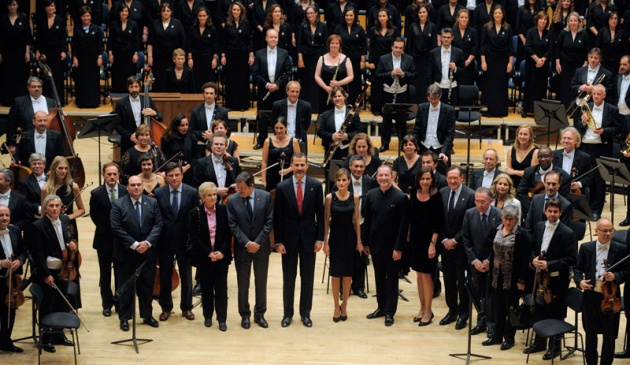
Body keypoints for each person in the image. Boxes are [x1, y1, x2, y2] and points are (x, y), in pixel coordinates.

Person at [274, 153, 324, 327]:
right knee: (289, 278)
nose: (300, 168)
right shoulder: (281, 187)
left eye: (302, 165)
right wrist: (278, 242)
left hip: (309, 240)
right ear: (292, 166)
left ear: (307, 166)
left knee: (307, 278)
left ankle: (306, 313)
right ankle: (287, 314)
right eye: (296, 165)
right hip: (288, 241)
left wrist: (320, 238)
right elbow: (277, 218)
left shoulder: (316, 186)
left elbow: (320, 214)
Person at [524, 198, 577, 360]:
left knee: (556, 313)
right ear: (545, 212)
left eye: (555, 212)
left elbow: (571, 259)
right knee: (540, 310)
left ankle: (555, 347)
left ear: (560, 213)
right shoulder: (539, 227)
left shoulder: (568, 232)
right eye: (550, 211)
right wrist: (533, 259)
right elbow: (533, 247)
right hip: (540, 277)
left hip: (557, 279)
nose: (552, 214)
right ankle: (539, 343)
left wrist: (549, 264)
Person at [25, 195, 78, 352]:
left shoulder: (65, 220)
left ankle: (59, 335)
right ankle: (46, 339)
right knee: (48, 306)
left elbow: (69, 239)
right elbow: (38, 255)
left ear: (61, 207)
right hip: (48, 272)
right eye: (51, 206)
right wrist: (45, 274)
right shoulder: (38, 226)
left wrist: (73, 245)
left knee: (61, 304)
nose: (54, 208)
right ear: (46, 208)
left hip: (63, 270)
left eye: (57, 205)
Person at [111, 176, 163, 332]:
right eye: (132, 185)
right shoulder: (118, 204)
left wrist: (147, 243)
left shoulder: (152, 202)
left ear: (142, 187)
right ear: (127, 187)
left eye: (138, 185)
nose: (136, 187)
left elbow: (158, 224)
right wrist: (134, 244)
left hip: (147, 253)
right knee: (126, 286)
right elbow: (116, 227)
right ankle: (125, 318)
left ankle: (147, 315)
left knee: (147, 286)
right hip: (126, 253)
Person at [575, 217, 629, 365]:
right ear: (596, 231)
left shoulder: (621, 249)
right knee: (591, 335)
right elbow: (577, 270)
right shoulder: (586, 248)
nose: (608, 234)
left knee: (609, 337)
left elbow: (627, 271)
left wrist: (615, 276)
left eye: (610, 230)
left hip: (611, 299)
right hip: (591, 297)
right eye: (604, 231)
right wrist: (579, 282)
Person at [227, 172, 273, 330]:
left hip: (261, 248)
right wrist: (247, 243)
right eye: (238, 187)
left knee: (261, 282)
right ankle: (244, 315)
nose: (239, 190)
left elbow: (269, 222)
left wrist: (257, 242)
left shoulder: (265, 197)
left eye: (243, 188)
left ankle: (260, 314)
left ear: (252, 185)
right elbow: (233, 225)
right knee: (243, 284)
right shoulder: (232, 200)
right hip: (242, 248)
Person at [363, 164, 408, 326]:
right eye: (380, 175)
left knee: (392, 281)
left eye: (386, 175)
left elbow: (403, 227)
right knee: (379, 278)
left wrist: (398, 248)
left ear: (392, 177)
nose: (383, 178)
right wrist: (365, 242)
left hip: (392, 248)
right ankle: (381, 307)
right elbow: (367, 221)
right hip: (375, 246)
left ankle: (390, 311)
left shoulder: (400, 197)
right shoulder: (371, 195)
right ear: (377, 177)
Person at [153, 163, 198, 322]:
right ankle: (166, 307)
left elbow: (195, 218)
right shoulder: (158, 193)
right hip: (165, 240)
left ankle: (186, 307)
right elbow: (156, 218)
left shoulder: (192, 192)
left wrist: (193, 240)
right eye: (170, 175)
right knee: (165, 274)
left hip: (184, 240)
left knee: (186, 275)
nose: (174, 178)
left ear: (182, 175)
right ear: (165, 176)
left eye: (177, 175)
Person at [486, 205, 532, 350]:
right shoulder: (496, 229)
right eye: (506, 218)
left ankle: (509, 338)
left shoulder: (522, 235)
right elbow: (491, 250)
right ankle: (496, 335)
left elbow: (525, 260)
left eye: (511, 219)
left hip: (513, 278)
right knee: (498, 307)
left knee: (511, 308)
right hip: (496, 276)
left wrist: (522, 280)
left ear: (516, 219)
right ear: (502, 218)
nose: (508, 222)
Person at [574, 84, 620, 219]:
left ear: (604, 95)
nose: (595, 96)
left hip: (601, 148)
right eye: (594, 94)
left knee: (599, 181)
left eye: (598, 94)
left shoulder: (612, 109)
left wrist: (603, 131)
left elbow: (618, 129)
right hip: (585, 147)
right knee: (586, 178)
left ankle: (596, 210)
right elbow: (578, 126)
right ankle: (584, 207)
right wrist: (582, 122)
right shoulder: (585, 107)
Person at [189, 182, 231, 331]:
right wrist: (208, 252)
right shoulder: (196, 213)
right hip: (204, 257)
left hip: (221, 257)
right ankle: (208, 316)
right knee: (206, 288)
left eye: (214, 194)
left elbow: (228, 234)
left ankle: (222, 319)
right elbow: (194, 236)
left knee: (221, 289)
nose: (213, 197)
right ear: (202, 197)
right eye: (209, 195)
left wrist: (221, 252)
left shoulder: (223, 210)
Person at [89, 162, 128, 317]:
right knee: (105, 274)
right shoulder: (96, 193)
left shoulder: (125, 191)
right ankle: (107, 304)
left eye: (114, 174)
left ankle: (120, 303)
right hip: (104, 239)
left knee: (120, 274)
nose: (112, 177)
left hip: (121, 240)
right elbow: (94, 216)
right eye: (109, 174)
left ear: (118, 175)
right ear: (103, 175)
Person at [439, 165, 475, 330]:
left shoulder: (470, 195)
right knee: (448, 280)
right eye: (450, 178)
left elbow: (468, 223)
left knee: (462, 282)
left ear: (462, 178)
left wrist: (455, 240)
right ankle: (452, 310)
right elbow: (439, 218)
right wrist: (445, 239)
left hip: (462, 247)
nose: (452, 181)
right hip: (445, 246)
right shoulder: (442, 193)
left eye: (455, 178)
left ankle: (463, 314)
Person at [323, 167, 362, 322]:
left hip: (349, 238)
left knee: (347, 275)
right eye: (338, 180)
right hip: (335, 239)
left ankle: (344, 305)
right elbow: (326, 221)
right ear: (335, 181)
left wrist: (359, 241)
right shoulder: (329, 197)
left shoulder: (355, 197)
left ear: (348, 181)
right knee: (335, 274)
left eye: (344, 180)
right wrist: (325, 242)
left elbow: (357, 221)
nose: (341, 182)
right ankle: (335, 306)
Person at [462, 187, 502, 336]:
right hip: (476, 263)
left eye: (483, 202)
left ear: (490, 201)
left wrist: (489, 260)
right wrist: (474, 260)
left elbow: (500, 241)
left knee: (491, 295)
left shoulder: (498, 215)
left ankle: (492, 324)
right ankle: (481, 322)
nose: (480, 205)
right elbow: (466, 239)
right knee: (478, 294)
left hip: (492, 263)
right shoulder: (469, 214)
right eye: (477, 201)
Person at [409, 166, 443, 326]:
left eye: (428, 179)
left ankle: (429, 311)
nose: (425, 181)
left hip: (429, 241)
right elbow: (411, 217)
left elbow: (438, 223)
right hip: (416, 239)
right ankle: (422, 308)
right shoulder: (414, 193)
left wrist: (433, 244)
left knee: (427, 275)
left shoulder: (436, 196)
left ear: (432, 180)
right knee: (419, 274)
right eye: (422, 179)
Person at [252, 28, 293, 149]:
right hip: (264, 90)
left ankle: (279, 140)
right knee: (262, 115)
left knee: (279, 116)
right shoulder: (259, 53)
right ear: (266, 38)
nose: (273, 39)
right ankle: (262, 140)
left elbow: (288, 72)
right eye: (271, 37)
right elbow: (255, 73)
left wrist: (277, 84)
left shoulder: (284, 53)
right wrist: (266, 85)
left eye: (275, 37)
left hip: (279, 90)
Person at [345, 155, 377, 298]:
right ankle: (343, 287)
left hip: (364, 224)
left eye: (361, 167)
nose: (358, 169)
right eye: (356, 166)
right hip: (347, 224)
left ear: (365, 168)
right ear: (350, 166)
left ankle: (358, 287)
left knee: (361, 258)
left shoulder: (371, 182)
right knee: (346, 257)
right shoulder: (343, 180)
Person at [376, 37, 415, 151]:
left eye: (400, 48)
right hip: (388, 93)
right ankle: (385, 144)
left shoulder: (409, 59)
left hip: (402, 94)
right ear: (392, 47)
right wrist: (391, 74)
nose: (398, 50)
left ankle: (403, 145)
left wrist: (403, 74)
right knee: (386, 122)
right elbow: (378, 76)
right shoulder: (383, 59)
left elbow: (413, 76)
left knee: (401, 122)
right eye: (396, 47)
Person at [515, 145, 571, 218]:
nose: (543, 159)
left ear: (552, 157)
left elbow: (563, 199)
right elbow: (520, 193)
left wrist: (550, 212)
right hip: (531, 212)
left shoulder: (564, 176)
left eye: (546, 156)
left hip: (554, 215)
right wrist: (532, 210)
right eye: (540, 157)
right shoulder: (529, 172)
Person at [114, 76, 163, 154]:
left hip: (146, 141)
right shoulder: (121, 103)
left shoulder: (147, 100)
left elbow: (160, 118)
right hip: (128, 142)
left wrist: (154, 113)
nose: (134, 89)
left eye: (136, 86)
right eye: (131, 87)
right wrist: (130, 136)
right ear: (128, 88)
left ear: (140, 87)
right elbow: (117, 125)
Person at [479, 5, 513, 117]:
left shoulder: (508, 27)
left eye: (499, 13)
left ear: (503, 14)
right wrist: (483, 61)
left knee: (501, 86)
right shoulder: (486, 27)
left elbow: (511, 47)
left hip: (503, 61)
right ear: (492, 15)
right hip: (490, 60)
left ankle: (500, 111)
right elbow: (482, 46)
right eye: (495, 13)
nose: (497, 15)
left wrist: (510, 63)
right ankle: (488, 110)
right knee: (489, 85)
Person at [0, 205, 26, 353]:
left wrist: (20, 261)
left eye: (6, 215)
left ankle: (6, 341)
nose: (4, 218)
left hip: (12, 279)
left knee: (10, 312)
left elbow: (23, 251)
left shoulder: (15, 231)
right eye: (1, 215)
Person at [42, 156, 86, 241]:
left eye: (66, 168)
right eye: (60, 168)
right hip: (51, 224)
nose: (64, 171)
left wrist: (68, 217)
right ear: (54, 169)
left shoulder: (73, 186)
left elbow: (82, 210)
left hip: (69, 225)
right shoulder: (46, 189)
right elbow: (43, 212)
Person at [6, 77, 55, 152]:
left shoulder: (51, 102)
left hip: (48, 143)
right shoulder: (19, 102)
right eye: (33, 86)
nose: (37, 89)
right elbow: (11, 125)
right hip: (27, 143)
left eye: (39, 86)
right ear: (28, 88)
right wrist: (11, 144)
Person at [33, 0, 68, 105]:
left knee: (56, 76)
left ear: (55, 7)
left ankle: (58, 101)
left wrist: (63, 51)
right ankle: (46, 101)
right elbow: (38, 37)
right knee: (45, 77)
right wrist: (37, 50)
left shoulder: (60, 20)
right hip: (44, 53)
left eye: (52, 6)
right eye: (48, 6)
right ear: (45, 8)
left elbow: (63, 38)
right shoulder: (40, 21)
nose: (50, 8)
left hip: (57, 53)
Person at [412, 84, 455, 168]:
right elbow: (417, 129)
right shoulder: (421, 107)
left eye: (436, 99)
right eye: (431, 98)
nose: (433, 101)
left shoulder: (449, 110)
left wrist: (444, 151)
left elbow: (450, 134)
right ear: (428, 96)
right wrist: (415, 146)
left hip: (440, 147)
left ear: (440, 96)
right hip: (424, 146)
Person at [221, 1, 253, 111]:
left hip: (243, 55)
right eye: (234, 9)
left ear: (241, 11)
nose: (236, 11)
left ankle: (243, 105)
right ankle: (231, 105)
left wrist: (251, 54)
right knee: (231, 80)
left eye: (238, 10)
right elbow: (224, 41)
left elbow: (249, 40)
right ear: (231, 11)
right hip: (231, 56)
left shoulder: (246, 23)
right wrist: (223, 55)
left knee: (242, 80)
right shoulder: (228, 23)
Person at [147, 3, 186, 92]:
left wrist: (180, 56)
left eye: (168, 11)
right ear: (160, 12)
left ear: (171, 12)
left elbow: (183, 40)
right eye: (163, 11)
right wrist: (150, 56)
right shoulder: (155, 23)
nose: (166, 13)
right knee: (159, 78)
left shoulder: (177, 23)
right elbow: (150, 42)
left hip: (173, 57)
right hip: (158, 56)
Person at [367, 8, 399, 115]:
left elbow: (398, 45)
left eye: (383, 16)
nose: (381, 18)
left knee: (388, 84)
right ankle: (376, 108)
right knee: (376, 85)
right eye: (379, 16)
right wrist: (370, 61)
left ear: (388, 17)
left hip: (390, 60)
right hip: (376, 61)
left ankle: (387, 108)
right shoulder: (373, 30)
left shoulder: (394, 29)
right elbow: (371, 47)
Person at [317, 87, 363, 161]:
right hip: (331, 150)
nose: (337, 98)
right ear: (332, 99)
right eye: (335, 96)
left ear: (344, 97)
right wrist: (332, 136)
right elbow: (320, 132)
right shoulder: (326, 115)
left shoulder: (353, 114)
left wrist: (347, 136)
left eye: (339, 96)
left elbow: (360, 132)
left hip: (349, 150)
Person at [296, 5, 327, 113]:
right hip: (305, 57)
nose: (310, 15)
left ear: (316, 13)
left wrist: (323, 59)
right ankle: (305, 107)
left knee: (316, 82)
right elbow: (299, 44)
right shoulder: (302, 26)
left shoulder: (323, 26)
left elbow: (325, 44)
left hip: (318, 57)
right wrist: (300, 58)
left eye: (311, 13)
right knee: (305, 82)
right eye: (308, 13)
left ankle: (316, 107)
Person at [332, 8, 366, 105]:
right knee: (342, 79)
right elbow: (335, 43)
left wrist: (362, 61)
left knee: (355, 81)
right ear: (344, 16)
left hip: (356, 58)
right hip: (342, 58)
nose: (349, 17)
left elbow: (364, 46)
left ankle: (354, 103)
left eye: (351, 15)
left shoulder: (360, 29)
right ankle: (340, 101)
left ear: (354, 16)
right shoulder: (338, 28)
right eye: (347, 15)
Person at [0, 0, 31, 106]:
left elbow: (28, 37)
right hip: (6, 52)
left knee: (20, 76)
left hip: (20, 52)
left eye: (14, 5)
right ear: (7, 6)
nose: (12, 7)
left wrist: (27, 52)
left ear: (17, 6)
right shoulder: (3, 19)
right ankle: (7, 100)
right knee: (7, 75)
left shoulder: (24, 19)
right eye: (10, 5)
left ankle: (21, 100)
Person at [554, 12, 588, 108]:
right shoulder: (563, 33)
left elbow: (587, 50)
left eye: (575, 20)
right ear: (568, 22)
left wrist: (585, 63)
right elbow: (557, 49)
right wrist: (557, 63)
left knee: (576, 88)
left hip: (579, 67)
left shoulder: (584, 34)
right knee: (564, 87)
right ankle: (563, 109)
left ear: (579, 22)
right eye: (571, 20)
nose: (573, 22)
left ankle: (574, 109)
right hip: (564, 65)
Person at [72, 6, 103, 108]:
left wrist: (100, 56)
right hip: (81, 59)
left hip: (93, 59)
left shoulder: (97, 29)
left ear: (90, 16)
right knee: (81, 80)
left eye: (88, 16)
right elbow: (74, 45)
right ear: (81, 17)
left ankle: (93, 102)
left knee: (93, 80)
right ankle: (81, 102)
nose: (86, 18)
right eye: (84, 16)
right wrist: (75, 57)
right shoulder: (77, 29)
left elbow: (99, 44)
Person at [404, 4, 437, 102]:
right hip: (415, 59)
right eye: (420, 12)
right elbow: (409, 45)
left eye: (424, 12)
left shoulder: (432, 27)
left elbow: (434, 45)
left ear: (427, 13)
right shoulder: (412, 26)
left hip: (427, 59)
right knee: (415, 81)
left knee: (425, 81)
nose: (422, 14)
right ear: (417, 14)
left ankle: (425, 102)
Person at [523, 170, 573, 234]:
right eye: (548, 183)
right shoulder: (536, 199)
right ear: (544, 183)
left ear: (559, 185)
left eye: (554, 184)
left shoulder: (566, 205)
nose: (551, 187)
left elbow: (563, 232)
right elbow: (529, 223)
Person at [315, 34, 354, 114]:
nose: (334, 45)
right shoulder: (321, 58)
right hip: (325, 92)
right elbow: (317, 76)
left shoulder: (346, 59)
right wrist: (326, 87)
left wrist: (338, 83)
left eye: (337, 43)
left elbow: (351, 76)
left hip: (341, 93)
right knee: (324, 114)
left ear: (340, 45)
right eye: (332, 43)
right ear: (329, 45)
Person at [523, 11, 552, 118]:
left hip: (543, 66)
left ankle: (540, 112)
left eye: (545, 19)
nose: (543, 21)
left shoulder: (549, 33)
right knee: (529, 87)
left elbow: (550, 49)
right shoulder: (530, 32)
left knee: (541, 88)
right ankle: (526, 109)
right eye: (541, 19)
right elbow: (528, 47)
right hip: (531, 65)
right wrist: (536, 59)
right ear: (537, 20)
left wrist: (543, 60)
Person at [107, 3, 141, 93]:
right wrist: (110, 54)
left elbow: (136, 40)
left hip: (129, 55)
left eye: (126, 11)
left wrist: (136, 53)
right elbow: (110, 40)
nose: (124, 13)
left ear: (129, 13)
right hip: (117, 55)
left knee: (129, 77)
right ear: (119, 12)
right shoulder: (113, 24)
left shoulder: (134, 24)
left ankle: (130, 93)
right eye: (122, 11)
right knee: (117, 76)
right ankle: (117, 95)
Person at [261, 118, 301, 192]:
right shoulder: (267, 141)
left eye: (281, 128)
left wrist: (288, 170)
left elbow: (298, 161)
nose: (278, 131)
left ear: (286, 127)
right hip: (271, 175)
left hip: (288, 175)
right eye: (276, 128)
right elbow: (264, 162)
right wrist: (263, 180)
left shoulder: (294, 141)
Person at [189, 82, 229, 155]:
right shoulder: (196, 111)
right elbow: (191, 131)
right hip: (200, 147)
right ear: (203, 95)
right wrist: (204, 134)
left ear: (215, 95)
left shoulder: (223, 111)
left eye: (211, 93)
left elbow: (228, 131)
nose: (209, 96)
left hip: (218, 147)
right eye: (206, 93)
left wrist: (213, 136)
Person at [428, 27, 464, 106]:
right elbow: (430, 72)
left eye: (448, 37)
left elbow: (463, 70)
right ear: (440, 37)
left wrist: (455, 68)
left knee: (452, 114)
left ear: (452, 38)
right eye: (444, 37)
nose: (446, 39)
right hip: (437, 87)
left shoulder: (458, 52)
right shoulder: (433, 52)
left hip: (452, 87)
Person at [552, 127, 593, 195]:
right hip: (556, 192)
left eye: (569, 138)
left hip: (574, 193)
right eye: (564, 138)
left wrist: (579, 184)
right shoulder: (554, 154)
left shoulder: (584, 157)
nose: (566, 141)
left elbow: (590, 176)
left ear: (576, 141)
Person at [160, 114, 199, 185]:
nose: (185, 128)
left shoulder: (191, 137)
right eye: (182, 125)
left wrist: (186, 167)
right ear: (176, 126)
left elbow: (196, 156)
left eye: (187, 125)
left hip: (188, 172)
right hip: (172, 171)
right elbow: (163, 156)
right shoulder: (167, 139)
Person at [271, 81, 313, 148]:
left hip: (299, 141)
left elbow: (306, 125)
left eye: (297, 92)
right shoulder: (277, 105)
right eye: (292, 91)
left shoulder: (306, 106)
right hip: (281, 141)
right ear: (287, 91)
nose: (295, 94)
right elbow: (273, 122)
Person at [186, 7, 219, 91]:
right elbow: (189, 45)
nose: (202, 18)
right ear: (197, 17)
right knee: (196, 80)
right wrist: (190, 58)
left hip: (208, 58)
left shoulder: (212, 29)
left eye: (204, 15)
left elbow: (215, 46)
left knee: (208, 80)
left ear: (207, 16)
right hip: (196, 58)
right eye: (200, 16)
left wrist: (214, 59)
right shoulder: (192, 29)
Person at [504, 124, 538, 189]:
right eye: (520, 134)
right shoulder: (511, 149)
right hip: (512, 184)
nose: (522, 137)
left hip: (527, 185)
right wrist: (513, 172)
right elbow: (508, 171)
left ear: (530, 136)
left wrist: (514, 172)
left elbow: (531, 174)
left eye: (525, 134)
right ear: (517, 135)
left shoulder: (535, 152)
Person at [452, 9, 478, 87]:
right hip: (455, 64)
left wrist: (469, 60)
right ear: (458, 18)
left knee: (467, 87)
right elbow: (451, 47)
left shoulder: (473, 31)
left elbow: (475, 48)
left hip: (468, 64)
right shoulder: (452, 31)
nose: (464, 19)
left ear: (468, 19)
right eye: (462, 17)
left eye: (466, 17)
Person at [18, 153, 47, 217]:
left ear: (44, 165)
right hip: (35, 217)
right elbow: (24, 203)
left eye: (39, 163)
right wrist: (41, 209)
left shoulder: (52, 179)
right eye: (34, 164)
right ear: (30, 166)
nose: (37, 166)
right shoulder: (24, 183)